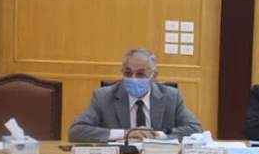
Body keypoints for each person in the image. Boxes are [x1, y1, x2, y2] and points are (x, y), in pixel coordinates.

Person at [69, 48, 202, 142]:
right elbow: (76, 131)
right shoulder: (103, 97)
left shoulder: (171, 97)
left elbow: (195, 129)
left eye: (140, 74)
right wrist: (126, 133)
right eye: (128, 73)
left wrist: (157, 135)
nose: (133, 78)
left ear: (154, 75)